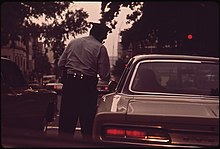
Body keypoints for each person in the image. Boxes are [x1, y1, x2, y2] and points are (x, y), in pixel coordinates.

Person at [57, 22, 111, 139]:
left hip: (70, 84)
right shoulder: (100, 48)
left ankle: (63, 143)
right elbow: (104, 74)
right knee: (87, 121)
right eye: (105, 35)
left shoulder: (73, 42)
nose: (106, 38)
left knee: (67, 119)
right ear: (100, 35)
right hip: (87, 85)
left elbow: (61, 63)